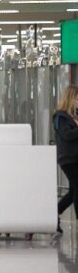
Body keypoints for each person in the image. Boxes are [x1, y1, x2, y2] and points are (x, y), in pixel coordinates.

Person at [54, 85, 78, 233]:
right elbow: (67, 135)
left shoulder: (73, 117)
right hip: (68, 158)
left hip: (75, 157)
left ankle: (53, 214)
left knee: (73, 191)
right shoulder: (61, 117)